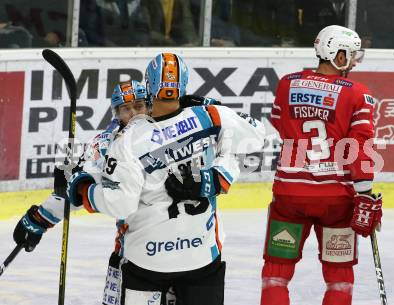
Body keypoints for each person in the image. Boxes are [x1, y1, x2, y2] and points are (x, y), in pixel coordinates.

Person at [66, 52, 265, 305]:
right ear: (183, 85)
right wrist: (216, 178)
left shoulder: (126, 140)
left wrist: (85, 191)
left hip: (147, 259)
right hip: (201, 255)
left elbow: (120, 204)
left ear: (147, 86)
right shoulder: (211, 116)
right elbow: (256, 134)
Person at [12, 79, 223, 305]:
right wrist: (39, 218)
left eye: (139, 106)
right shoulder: (105, 146)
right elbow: (77, 191)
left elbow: (224, 129)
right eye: (126, 109)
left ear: (151, 105)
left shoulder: (176, 127)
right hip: (140, 255)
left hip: (192, 251)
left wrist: (207, 106)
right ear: (116, 113)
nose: (133, 114)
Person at [260, 25, 383, 305]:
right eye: (350, 55)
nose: (353, 61)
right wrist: (364, 191)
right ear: (337, 55)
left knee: (276, 273)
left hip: (290, 196)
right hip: (335, 201)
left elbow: (280, 124)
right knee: (339, 276)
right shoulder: (358, 94)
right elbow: (360, 146)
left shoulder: (287, 83)